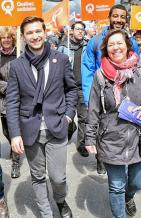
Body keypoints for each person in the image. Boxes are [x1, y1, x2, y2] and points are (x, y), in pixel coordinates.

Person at [6, 16, 77, 218]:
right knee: (37, 176)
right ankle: (46, 213)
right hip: (30, 131)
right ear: (23, 36)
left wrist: (69, 116)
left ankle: (61, 201)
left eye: (38, 31)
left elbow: (71, 89)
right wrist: (15, 134)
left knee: (58, 178)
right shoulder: (17, 66)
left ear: (45, 32)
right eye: (30, 32)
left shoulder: (61, 59)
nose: (35, 36)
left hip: (57, 127)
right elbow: (12, 102)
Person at [85, 29, 141, 218]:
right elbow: (93, 110)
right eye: (111, 44)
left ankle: (129, 196)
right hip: (111, 138)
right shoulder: (100, 76)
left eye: (119, 43)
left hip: (138, 136)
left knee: (138, 182)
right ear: (105, 49)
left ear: (127, 45)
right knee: (116, 186)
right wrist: (90, 138)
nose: (115, 47)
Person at [82, 4, 139, 174]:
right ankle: (102, 157)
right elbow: (87, 70)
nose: (119, 20)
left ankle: (122, 157)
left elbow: (137, 66)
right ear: (109, 17)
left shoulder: (132, 42)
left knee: (121, 127)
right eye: (116, 16)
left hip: (125, 94)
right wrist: (88, 99)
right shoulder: (95, 41)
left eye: (122, 17)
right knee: (102, 127)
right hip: (101, 93)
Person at [58, 21, 90, 158]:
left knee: (84, 118)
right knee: (67, 115)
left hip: (83, 88)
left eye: (82, 29)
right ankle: (70, 129)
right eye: (77, 29)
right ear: (71, 31)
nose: (80, 31)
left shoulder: (88, 47)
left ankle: (81, 144)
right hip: (67, 88)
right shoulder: (63, 47)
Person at [0, 26, 22, 179]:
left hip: (19, 99)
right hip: (3, 97)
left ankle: (16, 162)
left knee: (15, 130)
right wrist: (7, 87)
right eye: (3, 37)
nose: (6, 39)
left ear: (13, 39)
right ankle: (13, 143)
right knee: (6, 131)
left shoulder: (20, 54)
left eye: (9, 37)